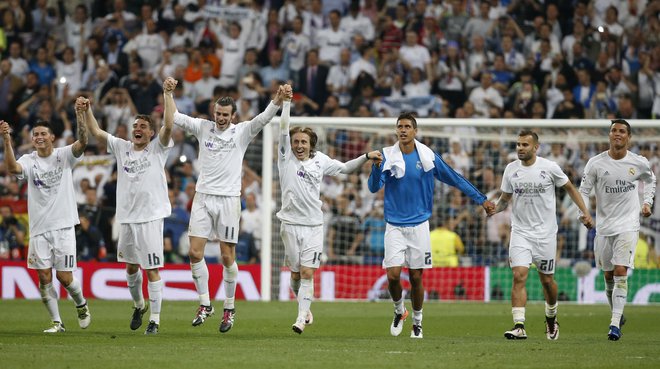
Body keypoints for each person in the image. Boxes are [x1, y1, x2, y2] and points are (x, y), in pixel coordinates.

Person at [163, 76, 290, 333]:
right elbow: (175, 115)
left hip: (229, 200)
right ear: (214, 113)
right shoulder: (203, 127)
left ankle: (229, 308)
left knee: (226, 256)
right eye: (218, 113)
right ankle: (205, 303)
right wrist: (167, 94)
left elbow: (262, 119)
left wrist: (277, 101)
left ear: (233, 116)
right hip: (203, 197)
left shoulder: (241, 132)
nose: (221, 118)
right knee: (194, 253)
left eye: (225, 114)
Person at [367, 112, 494, 339]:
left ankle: (418, 322)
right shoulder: (386, 156)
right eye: (400, 126)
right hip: (394, 225)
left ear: (415, 131)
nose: (403, 130)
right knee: (393, 275)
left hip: (419, 226)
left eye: (407, 126)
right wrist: (376, 167)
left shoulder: (428, 156)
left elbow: (455, 178)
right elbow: (374, 188)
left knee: (416, 278)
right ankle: (399, 311)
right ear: (396, 130)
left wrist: (481, 199)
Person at [277, 93, 381, 334]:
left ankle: (301, 318)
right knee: (295, 275)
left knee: (307, 272)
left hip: (314, 225)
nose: (299, 145)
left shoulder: (320, 160)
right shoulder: (285, 157)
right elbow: (283, 128)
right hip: (289, 224)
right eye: (296, 141)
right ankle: (304, 307)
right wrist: (287, 103)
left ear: (311, 144)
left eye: (304, 142)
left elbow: (345, 168)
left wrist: (365, 157)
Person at [79, 89, 174, 334]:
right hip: (127, 218)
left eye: (143, 125)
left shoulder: (157, 149)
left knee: (151, 269)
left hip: (150, 218)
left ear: (151, 132)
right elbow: (97, 132)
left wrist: (167, 94)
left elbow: (169, 124)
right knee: (131, 268)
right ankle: (138, 304)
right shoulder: (122, 148)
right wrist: (88, 108)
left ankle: (154, 320)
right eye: (135, 126)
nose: (138, 129)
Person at [492, 130, 593, 341]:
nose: (520, 148)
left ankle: (551, 317)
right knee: (519, 275)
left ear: (535, 147)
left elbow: (570, 188)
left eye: (524, 145)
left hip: (546, 235)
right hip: (520, 232)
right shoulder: (511, 170)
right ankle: (519, 325)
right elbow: (505, 200)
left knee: (547, 281)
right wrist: (494, 208)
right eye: (518, 144)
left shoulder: (549, 168)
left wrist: (584, 212)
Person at [1, 115, 91, 333]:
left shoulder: (64, 155)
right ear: (32, 139)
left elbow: (83, 142)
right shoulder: (29, 160)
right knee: (43, 276)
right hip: (39, 228)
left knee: (64, 277)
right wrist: (6, 139)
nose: (39, 137)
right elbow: (12, 168)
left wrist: (80, 117)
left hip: (63, 226)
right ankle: (57, 322)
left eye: (43, 134)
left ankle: (81, 304)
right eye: (36, 135)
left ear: (52, 137)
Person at [578, 119, 656, 341]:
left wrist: (647, 202)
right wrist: (583, 212)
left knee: (621, 270)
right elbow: (583, 190)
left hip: (628, 225)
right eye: (614, 131)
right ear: (609, 135)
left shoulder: (638, 162)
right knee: (608, 275)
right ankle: (617, 313)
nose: (617, 134)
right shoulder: (595, 163)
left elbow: (651, 180)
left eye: (622, 131)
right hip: (604, 227)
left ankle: (614, 325)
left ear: (628, 137)